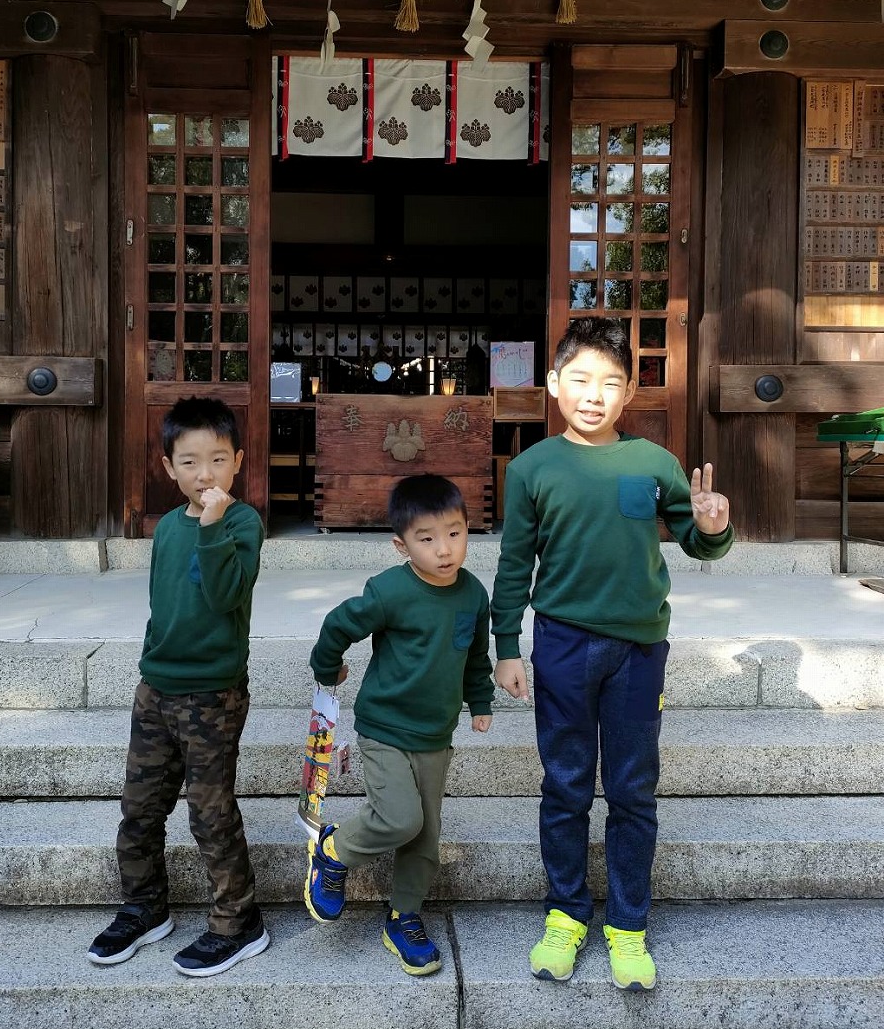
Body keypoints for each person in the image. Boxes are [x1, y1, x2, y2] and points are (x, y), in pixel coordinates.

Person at [491, 317, 733, 992]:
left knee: (631, 789)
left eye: (611, 384)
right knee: (565, 785)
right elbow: (515, 565)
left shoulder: (653, 462)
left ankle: (628, 926)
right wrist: (507, 645)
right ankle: (565, 916)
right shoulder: (535, 467)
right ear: (553, 384)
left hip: (639, 649)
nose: (594, 395)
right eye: (581, 380)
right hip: (563, 645)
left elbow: (696, 537)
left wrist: (713, 525)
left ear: (629, 394)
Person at [87, 396, 268, 978]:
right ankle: (145, 907)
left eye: (217, 460)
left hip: (212, 693)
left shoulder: (241, 523)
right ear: (169, 467)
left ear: (237, 462)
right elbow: (163, 607)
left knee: (209, 811)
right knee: (139, 809)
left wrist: (213, 527)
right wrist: (151, 667)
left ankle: (238, 922)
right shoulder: (166, 527)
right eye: (189, 462)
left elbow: (223, 597)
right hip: (156, 689)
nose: (204, 474)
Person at [304, 473, 494, 976]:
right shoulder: (389, 591)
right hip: (385, 727)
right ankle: (334, 850)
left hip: (435, 736)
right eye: (426, 539)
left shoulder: (474, 595)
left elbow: (476, 656)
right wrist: (328, 668)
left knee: (425, 838)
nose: (444, 549)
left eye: (455, 533)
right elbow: (337, 626)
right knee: (398, 819)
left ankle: (403, 917)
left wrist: (480, 702)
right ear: (401, 545)